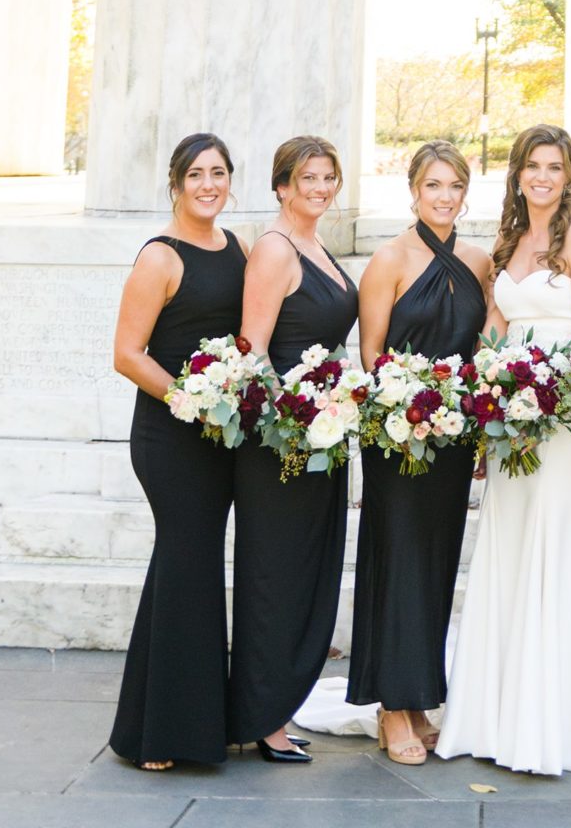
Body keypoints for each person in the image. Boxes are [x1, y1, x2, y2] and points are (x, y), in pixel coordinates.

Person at [437, 124, 571, 778]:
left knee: (554, 533)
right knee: (507, 539)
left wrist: (549, 390)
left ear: (568, 176)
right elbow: (494, 329)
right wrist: (489, 393)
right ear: (516, 175)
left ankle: (556, 722)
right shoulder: (507, 244)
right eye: (531, 166)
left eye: (554, 166)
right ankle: (493, 712)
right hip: (509, 417)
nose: (542, 176)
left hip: (566, 418)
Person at [348, 138, 492, 764]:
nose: (443, 197)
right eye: (433, 185)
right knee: (399, 558)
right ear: (413, 191)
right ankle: (391, 708)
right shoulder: (388, 260)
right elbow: (372, 353)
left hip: (455, 440)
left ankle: (422, 697)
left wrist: (480, 420)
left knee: (435, 564)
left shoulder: (481, 262)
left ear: (465, 194)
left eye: (454, 187)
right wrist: (408, 405)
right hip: (399, 438)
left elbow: (487, 348)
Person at [109, 132, 247, 771]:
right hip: (170, 436)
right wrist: (191, 400)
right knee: (187, 564)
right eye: (196, 174)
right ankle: (164, 736)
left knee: (182, 569)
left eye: (218, 173)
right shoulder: (159, 258)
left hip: (218, 439)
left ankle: (154, 725)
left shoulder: (235, 247)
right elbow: (127, 355)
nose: (208, 184)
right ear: (175, 184)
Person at [228, 134, 358, 764]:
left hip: (321, 439)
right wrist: (297, 415)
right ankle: (263, 718)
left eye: (328, 177)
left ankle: (278, 705)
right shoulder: (275, 251)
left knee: (307, 573)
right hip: (279, 446)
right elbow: (251, 352)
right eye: (307, 178)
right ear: (281, 186)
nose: (319, 187)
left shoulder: (317, 246)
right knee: (274, 576)